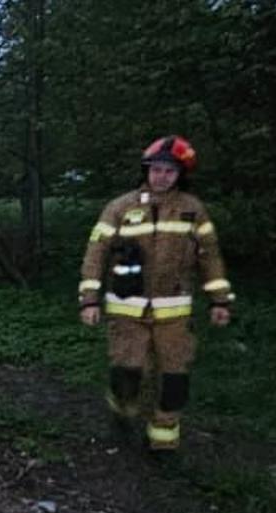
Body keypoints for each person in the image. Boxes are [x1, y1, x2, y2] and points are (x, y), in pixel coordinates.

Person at [77, 136, 233, 451]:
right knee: (128, 373)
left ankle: (163, 442)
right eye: (156, 169)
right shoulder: (120, 208)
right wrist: (89, 300)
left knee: (175, 380)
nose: (161, 176)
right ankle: (122, 413)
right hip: (126, 309)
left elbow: (210, 257)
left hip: (174, 313)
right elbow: (95, 254)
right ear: (146, 170)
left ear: (180, 175)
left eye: (169, 171)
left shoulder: (192, 210)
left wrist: (219, 300)